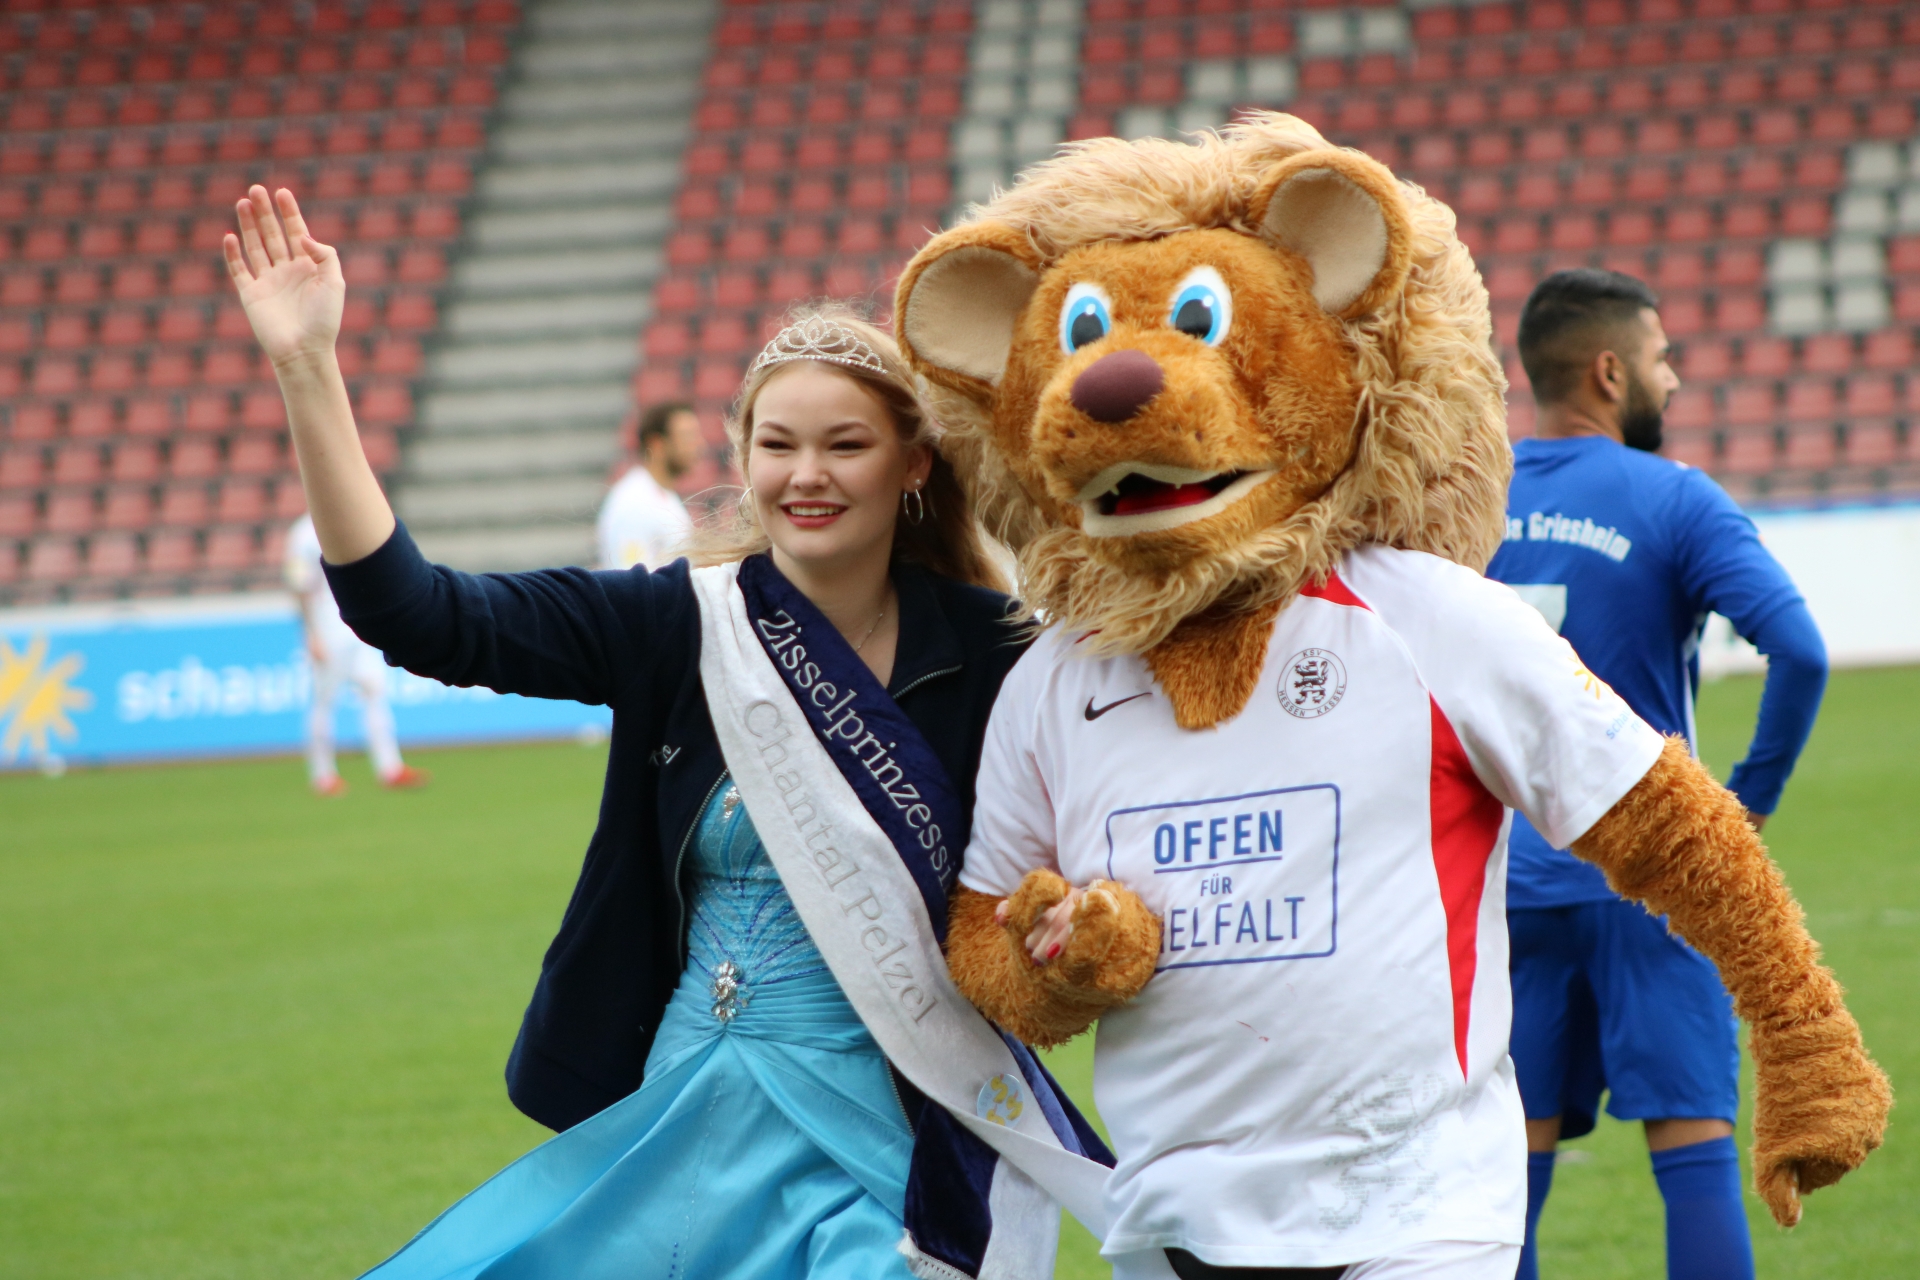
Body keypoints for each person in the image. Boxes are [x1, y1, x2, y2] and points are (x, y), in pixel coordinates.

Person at [224, 185, 1112, 1280]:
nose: (807, 475)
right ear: (744, 455)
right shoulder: (677, 624)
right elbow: (418, 612)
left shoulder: (995, 648)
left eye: (846, 444)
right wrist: (307, 367)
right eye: (777, 444)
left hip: (895, 1118)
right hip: (696, 1101)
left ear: (913, 462)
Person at [1486, 269, 1829, 1280]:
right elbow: (1799, 650)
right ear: (1609, 370)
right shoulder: (1675, 496)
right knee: (1693, 1153)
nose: (1672, 378)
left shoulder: (1469, 502)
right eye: (1662, 357)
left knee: (1507, 1176)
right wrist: (1747, 803)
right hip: (1655, 880)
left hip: (1506, 885)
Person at [284, 510, 427, 795]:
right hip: (326, 628)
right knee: (324, 700)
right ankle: (323, 775)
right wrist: (310, 634)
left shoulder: (344, 519)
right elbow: (298, 584)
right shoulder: (303, 534)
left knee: (374, 689)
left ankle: (390, 768)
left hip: (357, 625)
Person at [596, 401, 703, 571]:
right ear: (657, 445)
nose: (699, 445)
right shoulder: (634, 503)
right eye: (687, 437)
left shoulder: (663, 495)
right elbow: (630, 577)